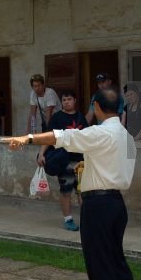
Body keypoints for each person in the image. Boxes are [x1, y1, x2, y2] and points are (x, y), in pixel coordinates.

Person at [4, 89, 141, 280]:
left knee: (100, 266)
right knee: (116, 262)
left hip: (99, 206)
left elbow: (62, 136)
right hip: (116, 203)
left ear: (97, 106)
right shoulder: (125, 136)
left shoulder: (100, 132)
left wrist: (26, 138)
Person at [39, 91, 88, 231]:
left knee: (82, 192)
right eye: (64, 99)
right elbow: (49, 137)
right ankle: (68, 220)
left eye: (69, 99)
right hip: (64, 161)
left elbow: (88, 138)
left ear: (75, 101)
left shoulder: (81, 118)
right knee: (66, 191)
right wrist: (41, 153)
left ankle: (87, 220)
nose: (66, 102)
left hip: (80, 161)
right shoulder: (57, 117)